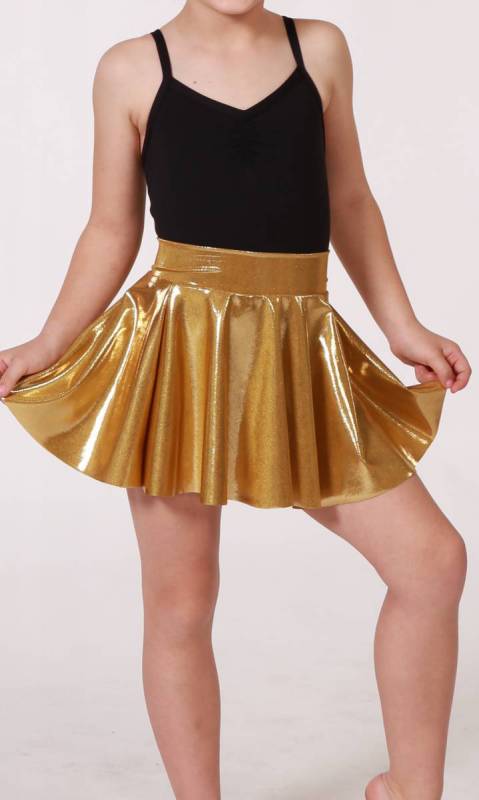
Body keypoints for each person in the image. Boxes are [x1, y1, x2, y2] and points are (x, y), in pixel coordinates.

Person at [0, 2, 471, 798]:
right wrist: (48, 343)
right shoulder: (130, 68)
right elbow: (110, 228)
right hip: (180, 354)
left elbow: (349, 199)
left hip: (300, 344)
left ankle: (408, 790)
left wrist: (402, 326)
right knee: (181, 603)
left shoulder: (319, 49)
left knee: (431, 562)